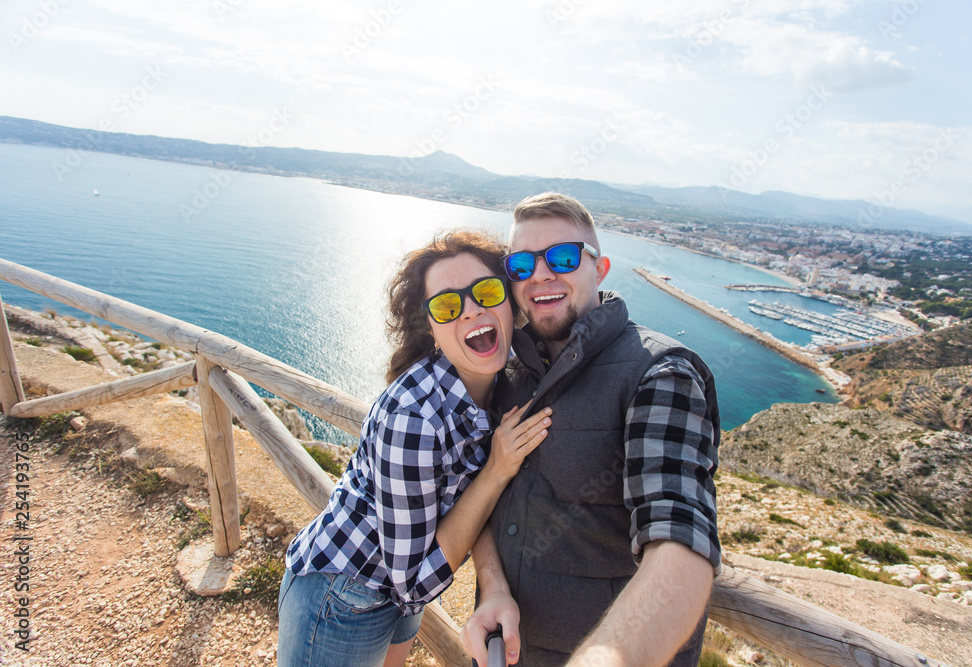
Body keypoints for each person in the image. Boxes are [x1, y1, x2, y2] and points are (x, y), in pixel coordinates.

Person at [460, 193, 721, 667]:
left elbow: (679, 539)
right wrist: (493, 584)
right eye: (521, 265)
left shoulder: (659, 374)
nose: (540, 274)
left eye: (562, 257)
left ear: (599, 270)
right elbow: (482, 493)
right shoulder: (511, 373)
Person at [277, 229, 553, 667]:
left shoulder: (499, 384)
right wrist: (497, 470)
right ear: (430, 327)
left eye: (486, 290)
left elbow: (457, 505)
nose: (472, 309)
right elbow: (415, 582)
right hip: (344, 593)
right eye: (447, 305)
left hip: (397, 595)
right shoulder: (413, 417)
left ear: (508, 300)